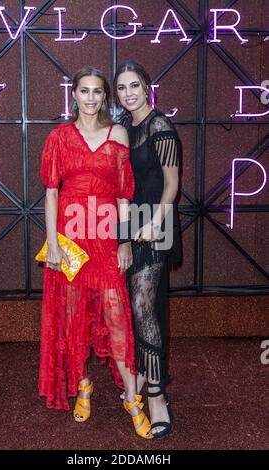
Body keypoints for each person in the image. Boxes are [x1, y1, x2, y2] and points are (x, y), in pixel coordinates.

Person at [38, 66, 153, 439]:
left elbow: (123, 193)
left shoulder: (117, 133)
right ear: (73, 94)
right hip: (70, 239)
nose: (90, 98)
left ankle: (133, 399)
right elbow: (51, 192)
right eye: (84, 91)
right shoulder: (59, 136)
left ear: (105, 97)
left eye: (97, 92)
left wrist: (124, 241)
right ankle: (83, 385)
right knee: (75, 318)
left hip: (105, 240)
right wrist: (53, 244)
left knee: (117, 317)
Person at [114, 61, 181, 439]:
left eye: (134, 86)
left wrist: (156, 222)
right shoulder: (124, 128)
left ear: (147, 86)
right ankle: (141, 373)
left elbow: (172, 183)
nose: (128, 93)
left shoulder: (159, 126)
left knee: (143, 306)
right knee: (136, 305)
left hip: (156, 222)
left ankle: (157, 395)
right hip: (129, 221)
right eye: (121, 88)